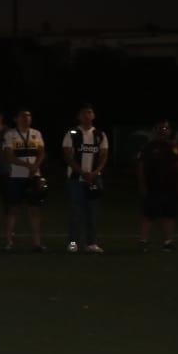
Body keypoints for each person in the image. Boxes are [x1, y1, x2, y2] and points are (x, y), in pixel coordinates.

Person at [61, 104, 109, 254]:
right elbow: (68, 155)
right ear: (79, 116)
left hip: (94, 179)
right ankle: (73, 243)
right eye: (84, 113)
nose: (87, 116)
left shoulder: (100, 134)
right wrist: (82, 172)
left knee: (92, 212)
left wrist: (95, 173)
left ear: (93, 116)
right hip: (76, 179)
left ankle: (92, 243)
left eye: (90, 113)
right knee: (76, 212)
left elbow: (103, 155)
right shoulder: (72, 133)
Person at [137, 119, 178, 252]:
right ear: (154, 130)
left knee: (169, 215)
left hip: (171, 187)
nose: (162, 131)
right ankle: (144, 242)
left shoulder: (174, 147)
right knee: (149, 214)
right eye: (160, 128)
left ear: (169, 131)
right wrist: (142, 185)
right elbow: (141, 167)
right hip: (153, 187)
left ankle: (168, 242)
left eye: (165, 128)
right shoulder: (148, 147)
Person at [2, 109, 48, 252]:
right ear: (16, 119)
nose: (26, 119)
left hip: (34, 176)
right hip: (16, 176)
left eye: (28, 116)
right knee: (13, 210)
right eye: (23, 116)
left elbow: (41, 152)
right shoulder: (10, 134)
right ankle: (9, 242)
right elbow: (9, 156)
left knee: (35, 210)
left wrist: (36, 166)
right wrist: (27, 165)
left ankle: (37, 243)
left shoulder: (36, 133)